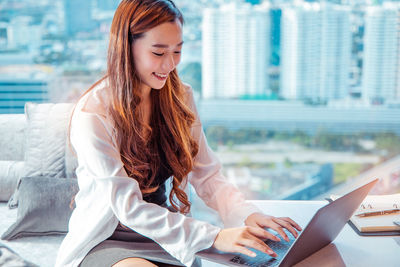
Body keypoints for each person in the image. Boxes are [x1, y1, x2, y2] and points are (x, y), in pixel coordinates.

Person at [55, 0, 302, 266]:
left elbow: (207, 175)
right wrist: (215, 236)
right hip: (106, 238)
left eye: (177, 51)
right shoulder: (93, 113)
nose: (170, 64)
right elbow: (127, 208)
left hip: (165, 234)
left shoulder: (180, 97)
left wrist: (247, 214)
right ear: (126, 48)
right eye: (159, 53)